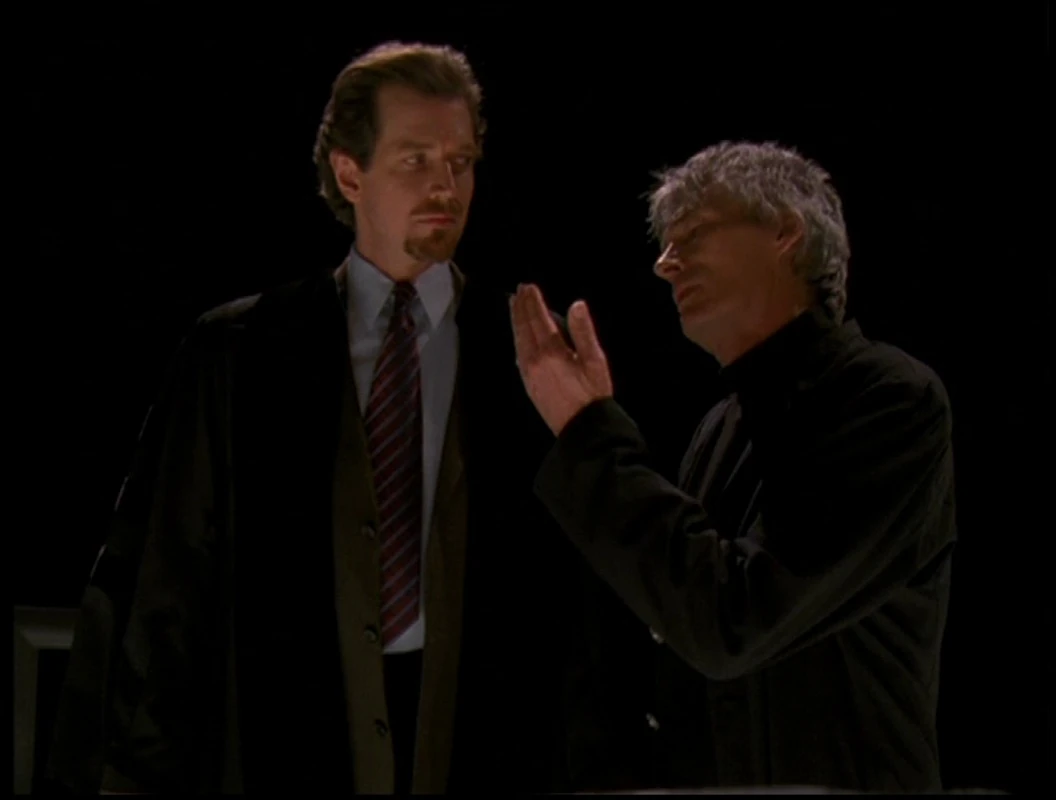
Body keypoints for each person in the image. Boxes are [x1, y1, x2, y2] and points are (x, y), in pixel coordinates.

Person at [46, 41, 575, 795]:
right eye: (415, 159)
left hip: (480, 740)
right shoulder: (241, 350)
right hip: (287, 740)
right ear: (350, 173)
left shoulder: (524, 349)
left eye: (460, 162)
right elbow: (167, 586)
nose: (445, 186)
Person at [510, 141, 957, 793]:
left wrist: (588, 433)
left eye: (693, 232)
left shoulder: (893, 401)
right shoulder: (720, 430)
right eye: (666, 243)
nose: (664, 263)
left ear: (785, 232)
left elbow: (735, 621)